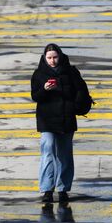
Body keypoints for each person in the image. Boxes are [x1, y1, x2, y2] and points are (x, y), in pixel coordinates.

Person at [31, 43, 85, 203]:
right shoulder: (39, 74)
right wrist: (45, 89)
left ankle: (63, 189)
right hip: (47, 120)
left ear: (60, 56)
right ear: (44, 58)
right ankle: (47, 189)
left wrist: (74, 106)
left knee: (64, 155)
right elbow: (35, 96)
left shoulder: (71, 72)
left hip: (66, 119)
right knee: (47, 152)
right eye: (49, 58)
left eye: (55, 57)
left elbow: (81, 91)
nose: (52, 61)